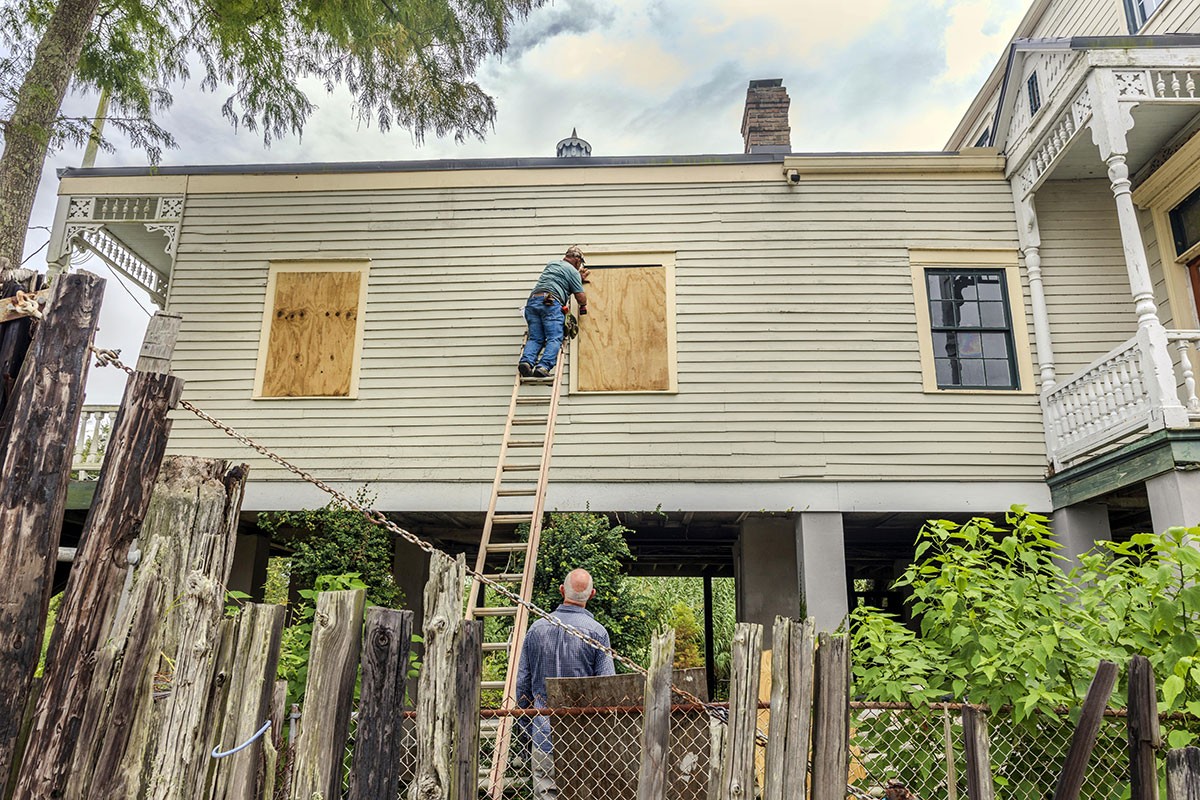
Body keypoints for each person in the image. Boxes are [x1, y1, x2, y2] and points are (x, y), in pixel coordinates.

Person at [515, 568, 615, 800]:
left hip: (544, 731)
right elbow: (608, 688)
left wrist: (527, 731)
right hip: (586, 736)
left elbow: (522, 685)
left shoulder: (536, 629)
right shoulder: (597, 633)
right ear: (592, 595)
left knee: (546, 794)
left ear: (562, 591)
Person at [519, 246, 589, 378]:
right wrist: (583, 304)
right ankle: (543, 366)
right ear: (577, 260)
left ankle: (526, 362)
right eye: (580, 263)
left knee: (536, 338)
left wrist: (577, 278)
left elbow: (559, 278)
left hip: (533, 302)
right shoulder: (573, 271)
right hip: (550, 303)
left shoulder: (552, 264)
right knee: (554, 337)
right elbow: (580, 297)